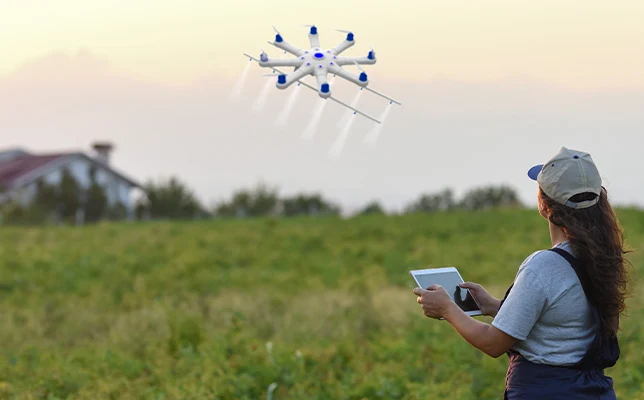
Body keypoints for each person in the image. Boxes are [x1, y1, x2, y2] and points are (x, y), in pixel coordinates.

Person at [413, 147, 630, 399]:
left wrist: (446, 309)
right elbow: (564, 323)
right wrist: (496, 307)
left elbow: (493, 343)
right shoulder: (603, 257)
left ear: (544, 205)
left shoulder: (544, 265)